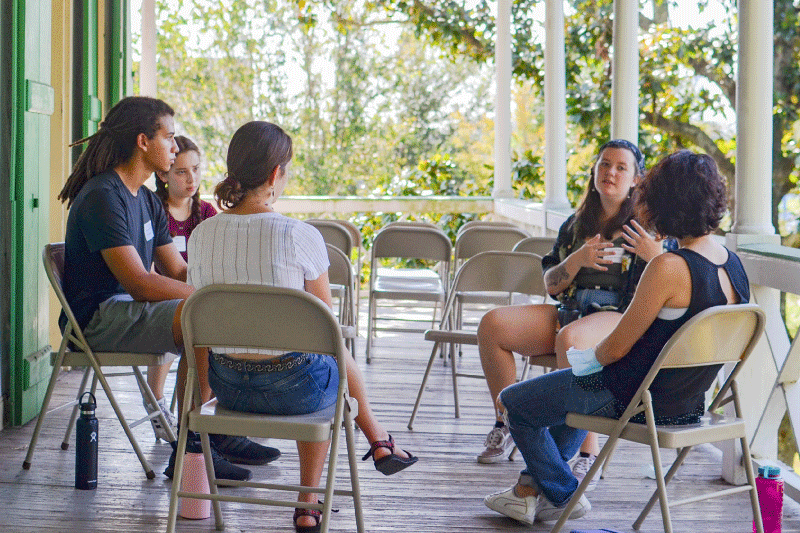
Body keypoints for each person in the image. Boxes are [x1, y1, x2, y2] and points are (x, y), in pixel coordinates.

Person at [483, 149, 747, 525]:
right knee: (560, 397)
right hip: (689, 402)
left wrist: (583, 361)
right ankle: (528, 490)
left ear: (663, 203)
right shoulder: (733, 266)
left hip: (635, 399)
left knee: (515, 403)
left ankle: (562, 494)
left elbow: (614, 350)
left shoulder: (668, 267)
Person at [187, 121, 418, 533]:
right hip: (295, 390)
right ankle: (313, 498)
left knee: (315, 358)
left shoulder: (202, 235)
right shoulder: (299, 234)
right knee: (325, 357)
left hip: (227, 386)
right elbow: (325, 333)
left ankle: (379, 439)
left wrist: (200, 402)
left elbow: (199, 328)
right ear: (276, 173)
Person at [58, 96, 277, 483]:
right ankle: (195, 446)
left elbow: (176, 270)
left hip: (126, 308)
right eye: (169, 138)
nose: (175, 147)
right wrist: (205, 298)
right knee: (201, 318)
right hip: (98, 318)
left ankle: (213, 435)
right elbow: (140, 283)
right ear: (143, 141)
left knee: (207, 313)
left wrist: (223, 283)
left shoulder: (145, 199)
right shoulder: (103, 196)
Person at [476, 140, 666, 490]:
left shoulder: (645, 227)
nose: (610, 172)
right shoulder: (576, 224)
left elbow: (661, 281)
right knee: (493, 325)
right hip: (569, 308)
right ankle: (506, 423)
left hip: (617, 317)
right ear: (594, 171)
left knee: (571, 340)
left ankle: (586, 451)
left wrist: (654, 253)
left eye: (621, 167)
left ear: (636, 178)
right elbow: (551, 284)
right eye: (604, 164)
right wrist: (576, 259)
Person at [154, 135, 217, 263]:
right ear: (163, 174)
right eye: (182, 172)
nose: (192, 178)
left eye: (195, 169)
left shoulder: (207, 212)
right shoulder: (151, 209)